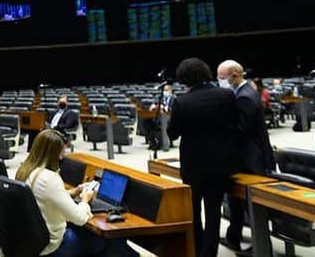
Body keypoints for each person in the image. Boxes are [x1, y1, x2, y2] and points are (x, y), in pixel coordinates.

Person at [15, 129, 137, 257]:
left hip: (34, 241)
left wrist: (73, 192)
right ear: (53, 153)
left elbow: (42, 197)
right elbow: (79, 218)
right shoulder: (49, 178)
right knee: (111, 239)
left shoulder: (25, 171)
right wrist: (85, 199)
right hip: (54, 245)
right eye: (61, 153)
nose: (62, 157)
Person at [167, 57, 239, 257]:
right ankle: (210, 253)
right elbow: (234, 124)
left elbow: (172, 134)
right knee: (214, 210)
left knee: (194, 211)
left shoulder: (182, 102)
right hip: (220, 164)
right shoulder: (226, 95)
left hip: (193, 166)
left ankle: (197, 250)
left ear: (184, 79)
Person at [217, 59, 276, 253]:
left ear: (234, 75)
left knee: (253, 206)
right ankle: (234, 237)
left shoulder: (245, 97)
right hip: (240, 157)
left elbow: (241, 130)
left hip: (251, 159)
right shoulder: (239, 94)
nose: (219, 81)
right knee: (235, 200)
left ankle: (261, 246)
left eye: (222, 77)